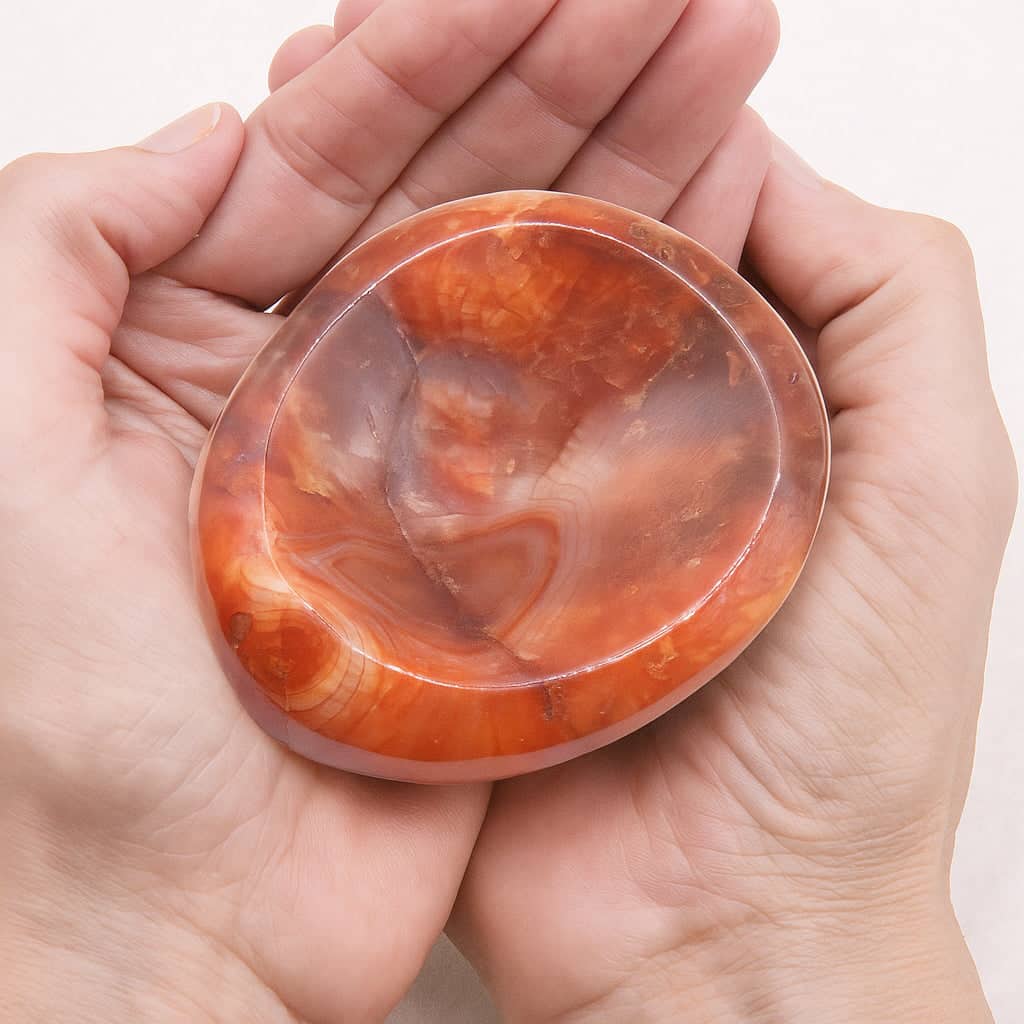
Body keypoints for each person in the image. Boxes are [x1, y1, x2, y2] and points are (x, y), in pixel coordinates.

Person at [0, 0, 1015, 1020]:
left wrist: (142, 927)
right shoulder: (331, 485)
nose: (467, 450)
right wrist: (770, 935)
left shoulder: (711, 459)